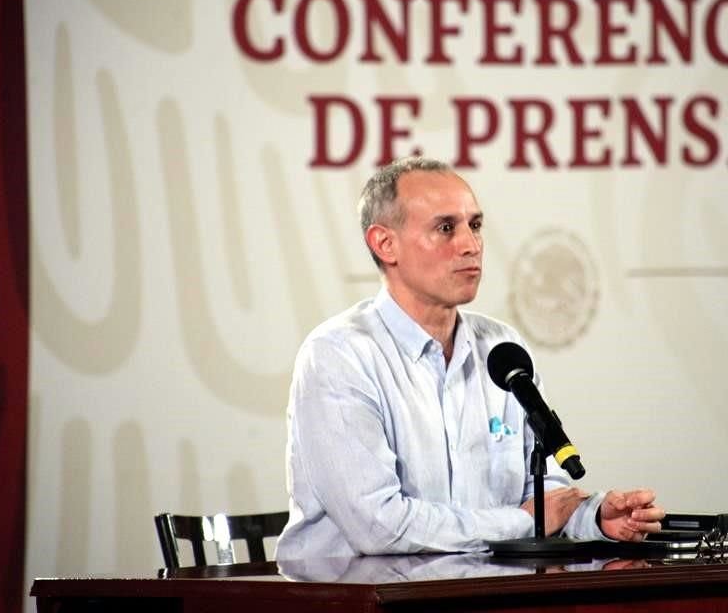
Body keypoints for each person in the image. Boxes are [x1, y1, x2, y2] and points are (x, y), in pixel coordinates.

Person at [275, 156, 664, 560]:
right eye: (446, 228)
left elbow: (541, 492)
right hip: (357, 601)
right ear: (384, 243)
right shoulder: (339, 355)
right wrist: (522, 523)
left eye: (475, 225)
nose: (470, 245)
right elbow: (380, 526)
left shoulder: (502, 349)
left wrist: (594, 516)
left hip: (480, 592)